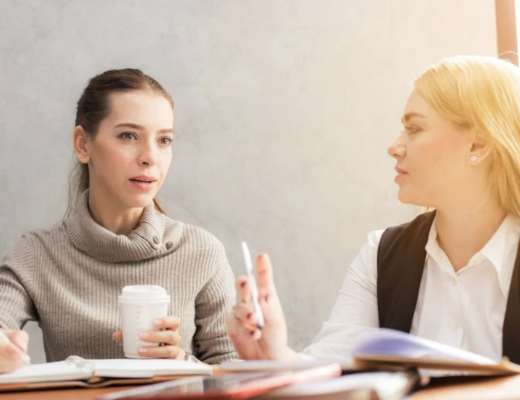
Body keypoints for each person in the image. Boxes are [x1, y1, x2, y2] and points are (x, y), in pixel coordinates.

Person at [226, 55, 520, 363]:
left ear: (477, 146)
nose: (394, 146)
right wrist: (276, 356)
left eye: (414, 128)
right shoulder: (381, 253)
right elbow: (334, 366)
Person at [0, 68, 237, 373]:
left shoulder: (202, 252)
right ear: (83, 145)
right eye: (129, 136)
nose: (150, 157)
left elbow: (237, 377)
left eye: (164, 140)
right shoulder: (36, 254)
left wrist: (183, 364)